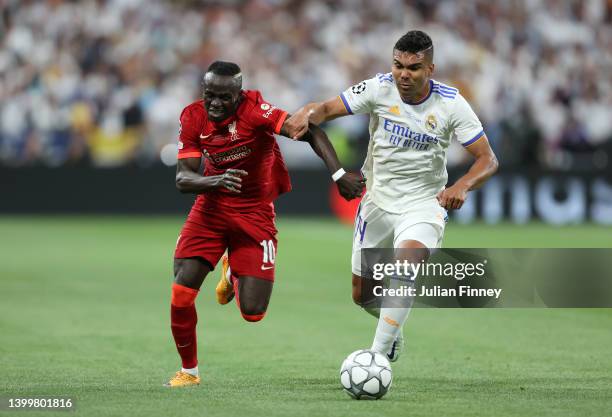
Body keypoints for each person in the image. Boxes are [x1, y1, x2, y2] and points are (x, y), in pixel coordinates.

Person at [284, 30, 498, 362]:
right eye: (398, 65)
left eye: (413, 68)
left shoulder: (451, 103)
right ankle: (392, 330)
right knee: (361, 296)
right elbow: (325, 109)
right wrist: (307, 112)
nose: (403, 74)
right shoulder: (378, 88)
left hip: (424, 204)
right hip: (377, 203)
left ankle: (377, 358)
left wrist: (462, 186)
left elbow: (488, 159)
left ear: (430, 69)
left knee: (405, 268)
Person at [166, 61, 364, 387]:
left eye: (223, 98)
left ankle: (232, 269)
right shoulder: (192, 116)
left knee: (253, 313)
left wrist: (339, 174)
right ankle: (189, 372)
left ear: (239, 95)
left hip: (254, 213)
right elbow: (184, 178)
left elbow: (309, 130)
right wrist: (215, 183)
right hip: (210, 211)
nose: (214, 104)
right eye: (209, 95)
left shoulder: (257, 111)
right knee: (181, 292)